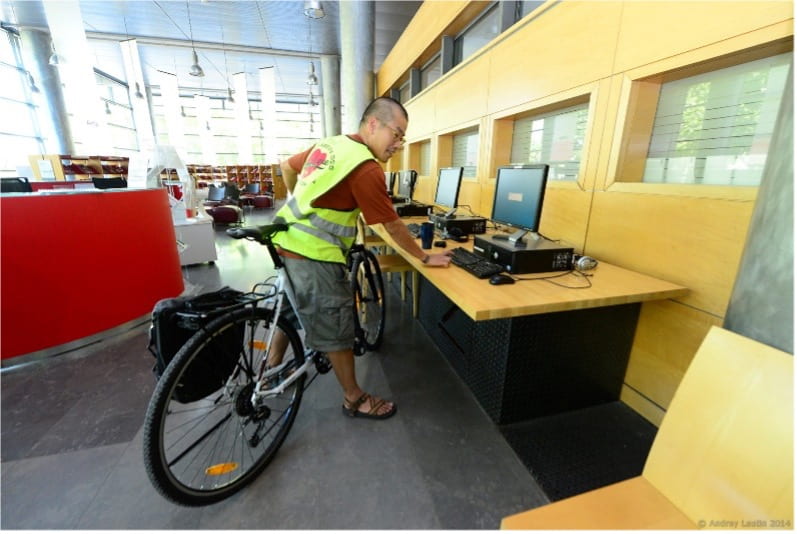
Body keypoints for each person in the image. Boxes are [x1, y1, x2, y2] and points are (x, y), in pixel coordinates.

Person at [269, 96, 451, 420]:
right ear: (372, 124)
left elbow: (286, 166)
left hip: (284, 238)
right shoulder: (365, 168)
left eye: (402, 138)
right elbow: (392, 225)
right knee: (338, 325)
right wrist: (423, 256)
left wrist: (298, 199)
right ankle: (353, 397)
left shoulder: (331, 145)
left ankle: (272, 368)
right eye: (396, 134)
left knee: (292, 303)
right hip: (314, 254)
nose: (398, 144)